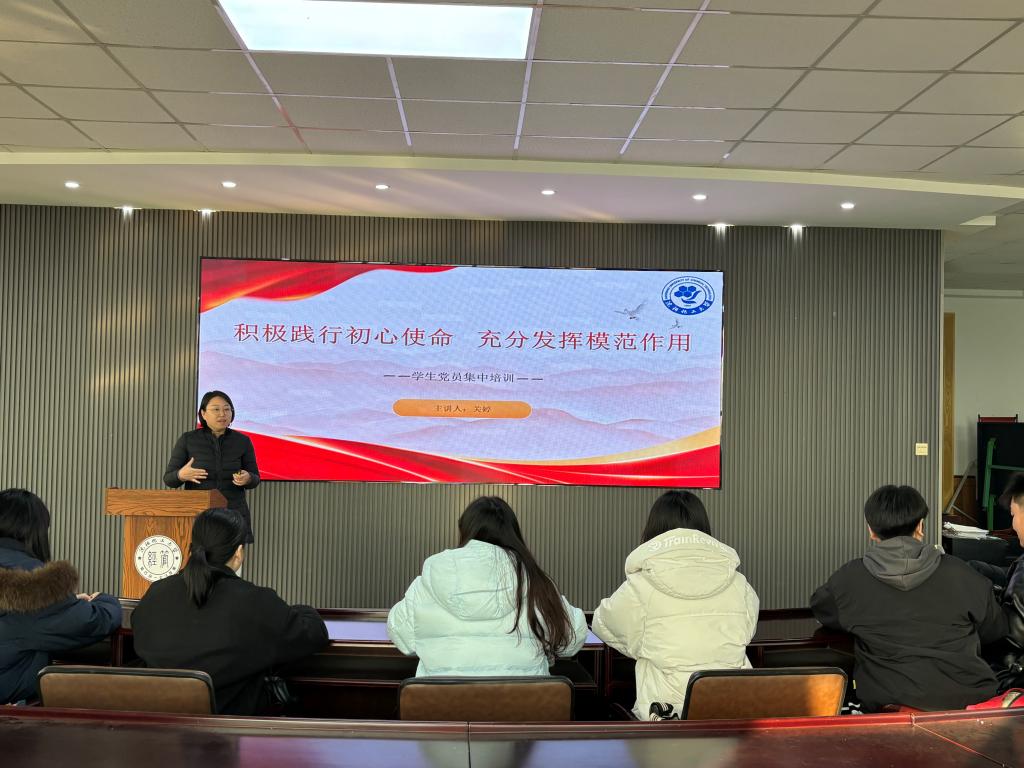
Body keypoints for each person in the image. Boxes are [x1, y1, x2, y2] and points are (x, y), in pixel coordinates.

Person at [811, 485, 1006, 712]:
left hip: (891, 708)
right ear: (920, 526)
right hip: (971, 706)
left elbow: (822, 610)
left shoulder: (849, 579)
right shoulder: (963, 573)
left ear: (871, 530)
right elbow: (996, 630)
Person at [131, 507, 328, 715]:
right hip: (231, 730)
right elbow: (314, 633)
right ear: (238, 552)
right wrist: (302, 610)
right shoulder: (256, 602)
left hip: (157, 725)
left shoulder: (155, 594)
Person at [592, 490, 759, 720]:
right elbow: (746, 633)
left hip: (667, 718)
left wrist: (643, 647)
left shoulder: (641, 586)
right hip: (733, 711)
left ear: (652, 531)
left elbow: (602, 624)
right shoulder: (740, 585)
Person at [387, 496, 588, 677]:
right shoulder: (536, 581)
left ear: (465, 530)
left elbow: (402, 637)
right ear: (512, 532)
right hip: (523, 704)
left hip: (442, 704)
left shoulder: (428, 580)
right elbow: (571, 640)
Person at [0, 488, 122, 704]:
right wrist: (103, 599)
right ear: (36, 531)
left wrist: (66, 603)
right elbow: (93, 622)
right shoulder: (32, 582)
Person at [164, 390, 260, 543]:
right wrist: (181, 475)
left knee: (231, 558)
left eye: (227, 409)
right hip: (198, 515)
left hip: (233, 513)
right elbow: (169, 479)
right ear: (203, 413)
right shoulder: (188, 440)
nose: (222, 414)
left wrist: (248, 478)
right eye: (216, 409)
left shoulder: (242, 441)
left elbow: (255, 479)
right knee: (200, 557)